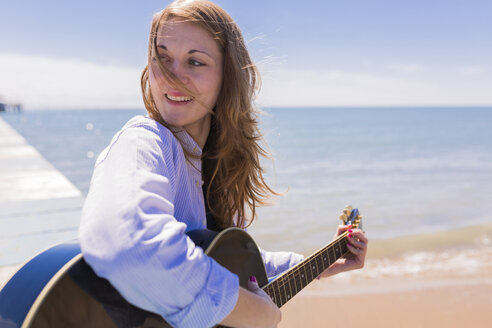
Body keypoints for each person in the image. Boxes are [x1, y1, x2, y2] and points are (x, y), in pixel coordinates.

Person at [78, 1, 368, 327]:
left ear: (227, 76)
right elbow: (127, 243)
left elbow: (221, 267)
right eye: (162, 58)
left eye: (195, 61)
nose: (173, 76)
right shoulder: (145, 140)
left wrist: (319, 262)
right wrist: (249, 310)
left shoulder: (212, 167)